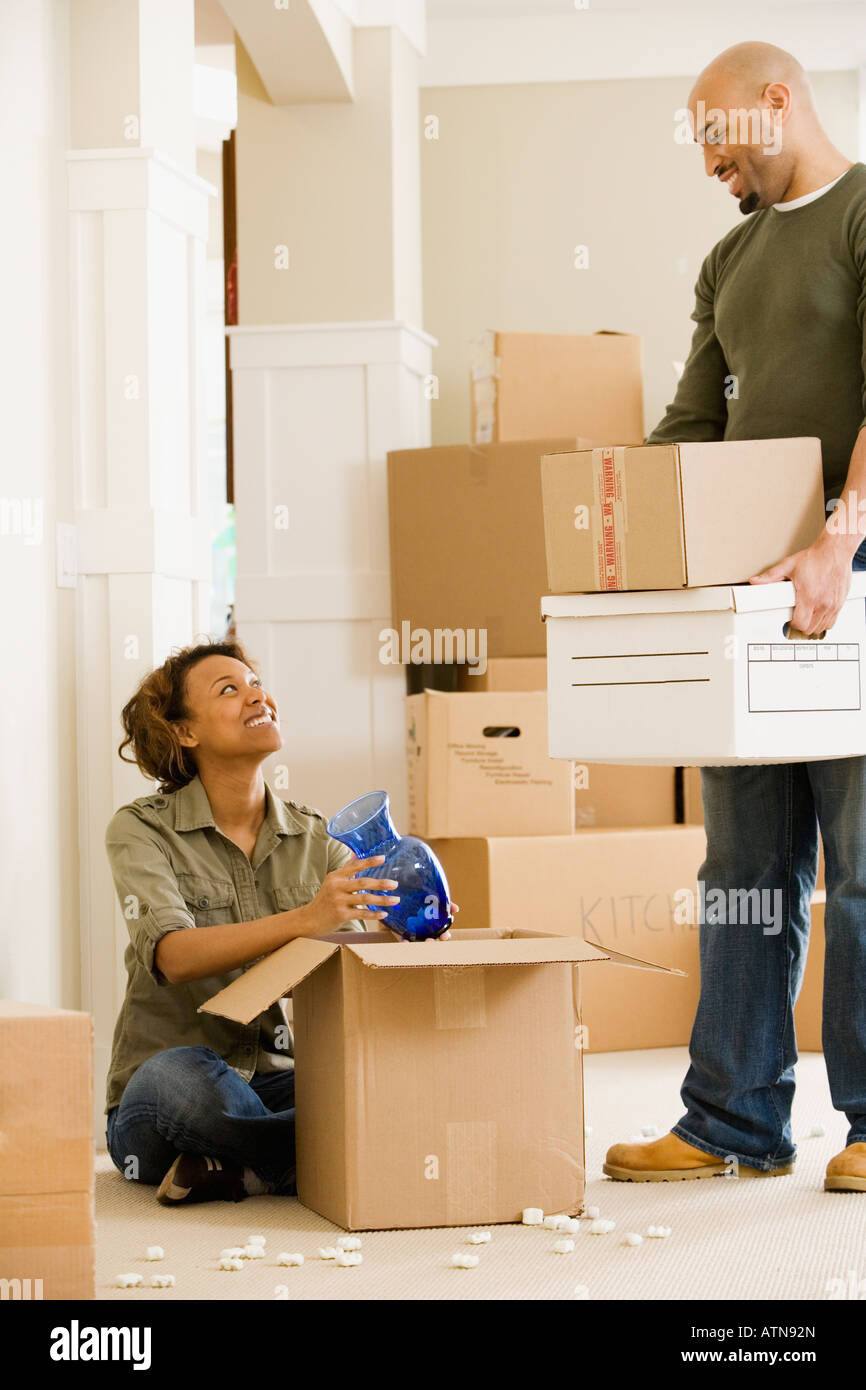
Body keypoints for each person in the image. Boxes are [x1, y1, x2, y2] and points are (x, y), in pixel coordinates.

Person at [604, 41, 866, 1192]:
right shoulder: (727, 256)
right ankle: (730, 1120)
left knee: (860, 866)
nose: (709, 163)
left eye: (718, 138)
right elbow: (686, 426)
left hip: (850, 573)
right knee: (744, 869)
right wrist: (609, 530)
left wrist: (840, 534)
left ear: (779, 99)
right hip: (749, 600)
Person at [104, 640, 454, 1205]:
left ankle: (244, 1170)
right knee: (184, 1082)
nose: (257, 695)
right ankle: (311, 1158)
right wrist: (307, 917)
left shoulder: (320, 839)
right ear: (185, 733)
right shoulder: (141, 829)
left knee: (406, 1080)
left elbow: (352, 959)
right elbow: (173, 955)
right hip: (165, 1092)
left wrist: (405, 931)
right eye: (229, 690)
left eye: (256, 683)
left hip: (275, 1077)